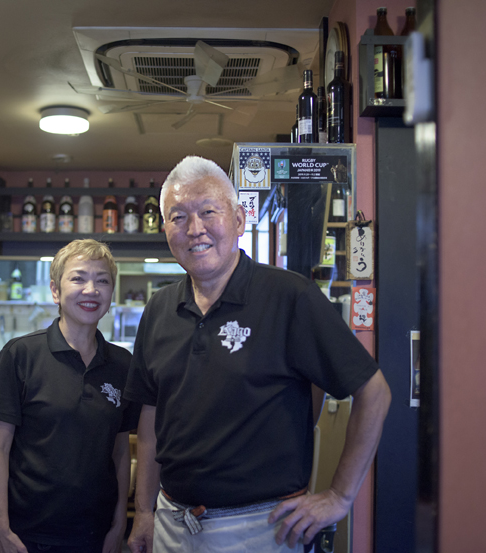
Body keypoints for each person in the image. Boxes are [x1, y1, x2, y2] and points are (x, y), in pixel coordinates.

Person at [124, 156, 391, 553]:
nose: (194, 229)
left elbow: (374, 391)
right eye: (177, 217)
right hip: (171, 524)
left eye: (208, 211)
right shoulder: (159, 309)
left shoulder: (290, 297)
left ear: (239, 219)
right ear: (165, 229)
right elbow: (150, 419)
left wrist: (339, 497)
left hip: (262, 530)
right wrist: (144, 511)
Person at [0, 239, 141, 553]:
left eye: (102, 281)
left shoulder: (123, 364)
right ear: (55, 291)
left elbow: (121, 451)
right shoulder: (21, 354)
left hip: (95, 537)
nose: (91, 289)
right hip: (25, 535)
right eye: (78, 278)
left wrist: (119, 524)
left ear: (111, 292)